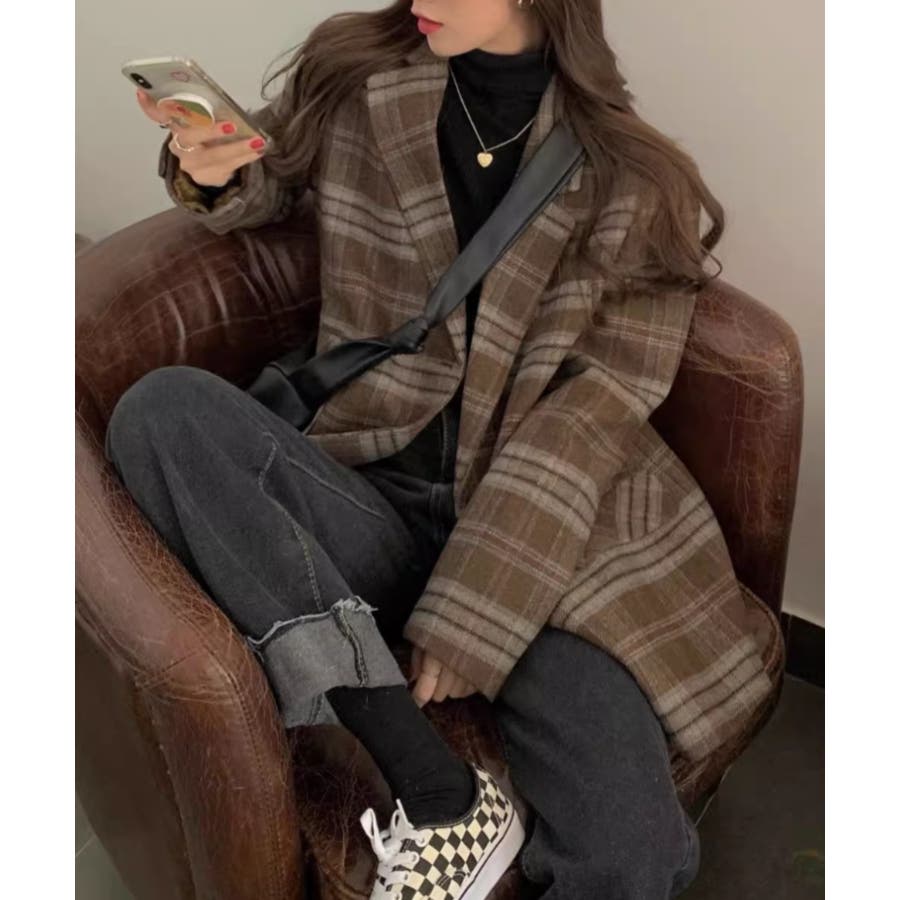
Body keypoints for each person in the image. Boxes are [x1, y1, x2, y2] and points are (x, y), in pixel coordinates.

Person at [104, 1, 774, 897]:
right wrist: (212, 165)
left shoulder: (638, 182)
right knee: (164, 413)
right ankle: (437, 792)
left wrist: (471, 618)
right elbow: (268, 176)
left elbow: (589, 420)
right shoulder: (356, 72)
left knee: (631, 853)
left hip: (539, 547)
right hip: (367, 490)